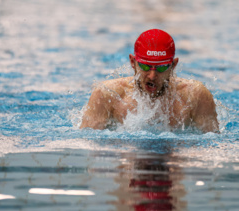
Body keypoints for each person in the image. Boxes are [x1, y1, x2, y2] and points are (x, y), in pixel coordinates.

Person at [80, 29, 219, 133]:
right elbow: (88, 145)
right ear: (133, 62)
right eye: (145, 66)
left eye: (161, 67)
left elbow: (211, 146)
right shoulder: (107, 94)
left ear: (173, 65)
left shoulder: (195, 96)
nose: (152, 76)